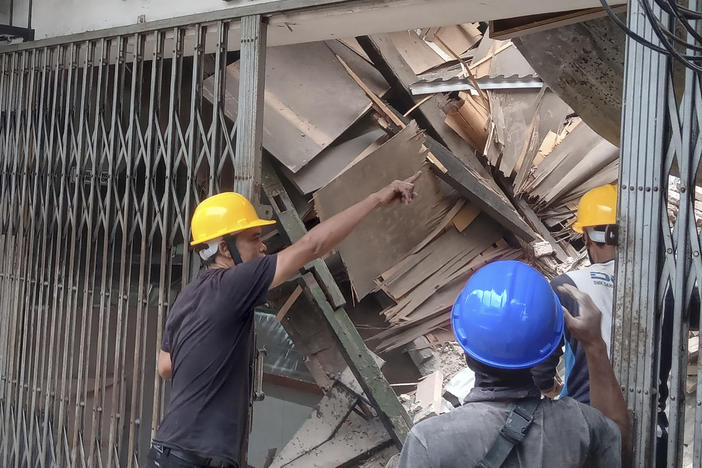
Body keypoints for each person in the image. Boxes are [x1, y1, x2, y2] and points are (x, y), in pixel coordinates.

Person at [147, 172, 420, 468]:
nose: (263, 247)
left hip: (168, 452)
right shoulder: (233, 284)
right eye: (253, 239)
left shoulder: (189, 295)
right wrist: (376, 198)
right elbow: (311, 246)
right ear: (225, 249)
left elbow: (165, 366)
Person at [397, 260, 632, 468]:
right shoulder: (580, 424)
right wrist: (593, 345)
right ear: (547, 349)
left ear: (466, 348)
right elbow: (617, 441)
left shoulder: (430, 442)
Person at [531, 184, 618, 403]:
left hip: (589, 422)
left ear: (588, 238)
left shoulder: (567, 286)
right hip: (655, 423)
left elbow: (541, 368)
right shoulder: (665, 288)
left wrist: (548, 387)